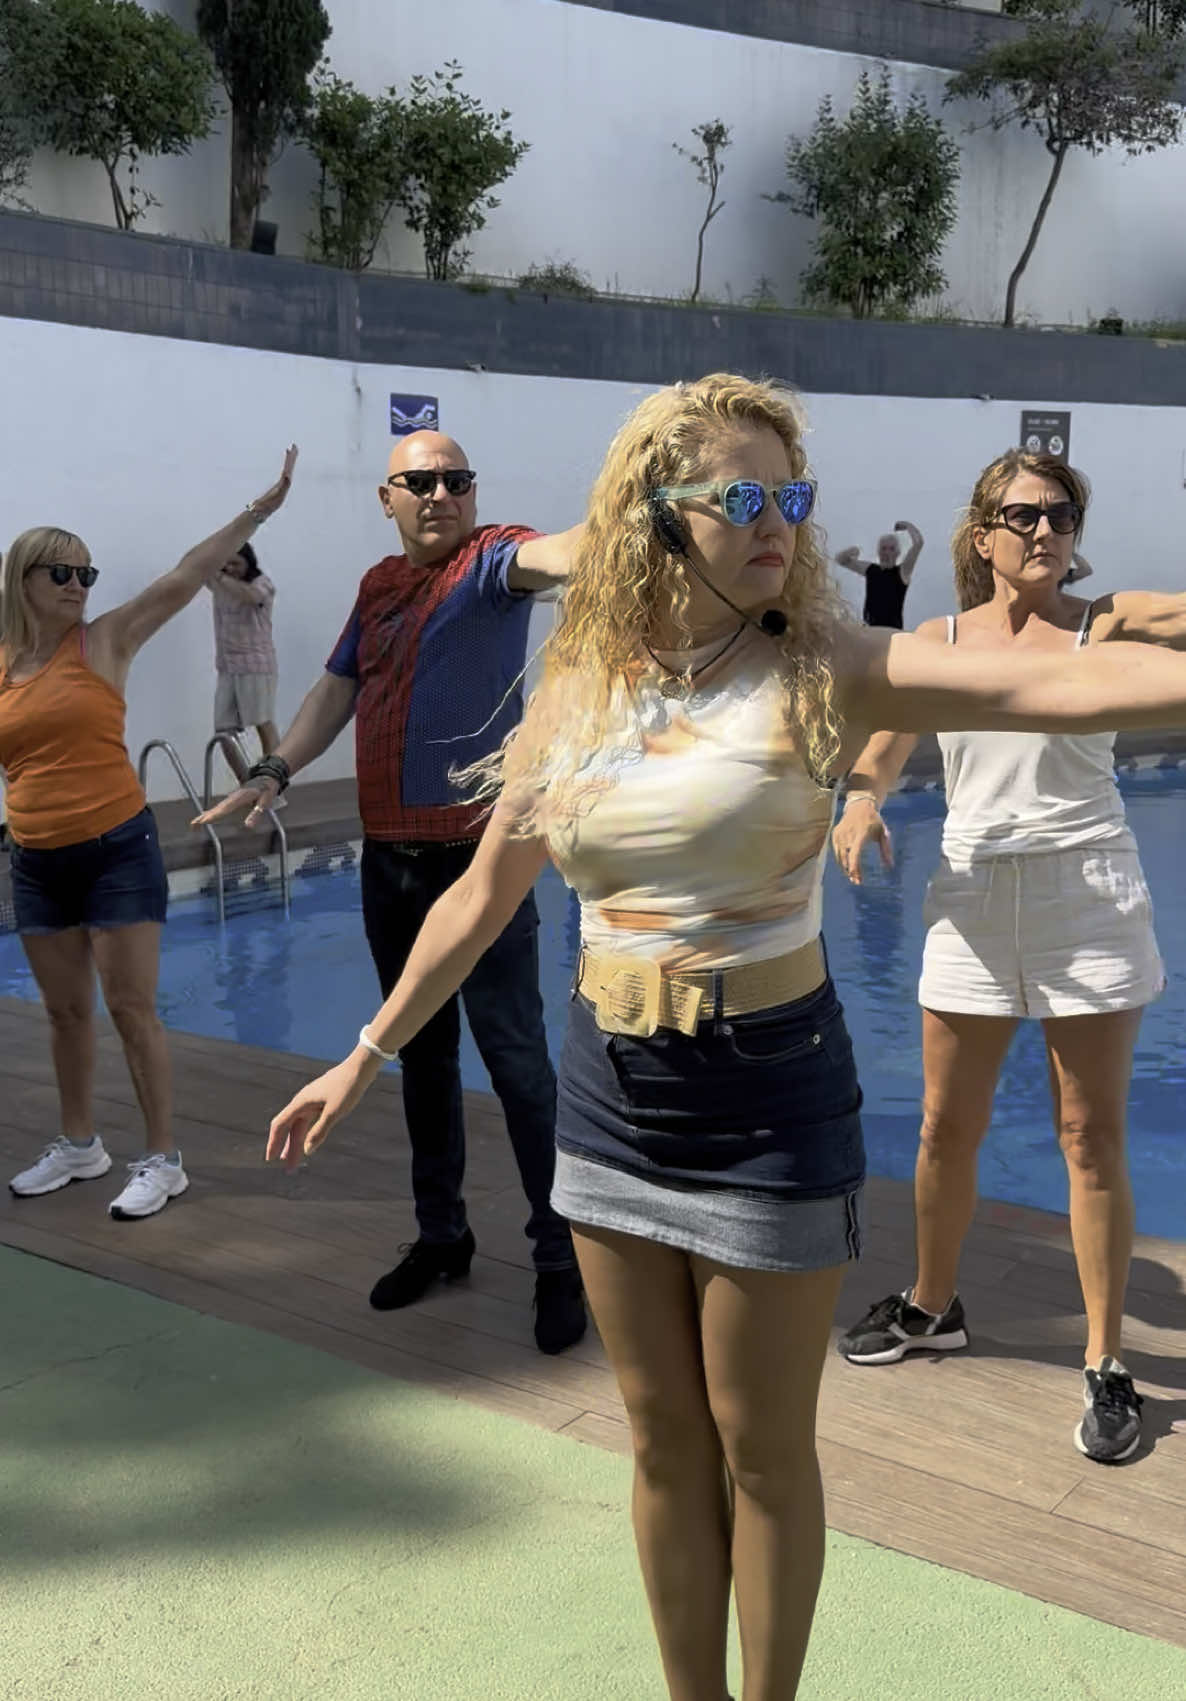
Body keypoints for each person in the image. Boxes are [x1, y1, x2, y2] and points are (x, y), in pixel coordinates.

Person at [258, 377, 1186, 1701]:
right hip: (609, 1096)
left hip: (767, 1097)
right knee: (659, 1446)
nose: (776, 523)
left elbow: (1068, 690)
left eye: (789, 497)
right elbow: (481, 897)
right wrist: (366, 1048)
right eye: (741, 497)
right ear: (661, 512)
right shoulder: (577, 685)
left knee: (760, 1449)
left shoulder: (823, 661)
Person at [197, 430, 587, 1354]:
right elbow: (339, 689)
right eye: (421, 481)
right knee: (422, 1057)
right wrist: (275, 768)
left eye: (455, 480)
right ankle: (443, 1233)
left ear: (472, 492)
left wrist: (640, 503)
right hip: (392, 864)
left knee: (521, 1065)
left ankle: (559, 1253)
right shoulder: (376, 587)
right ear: (388, 496)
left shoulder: (495, 562)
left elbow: (566, 553)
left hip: (476, 865)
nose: (440, 493)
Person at [833, 447, 1186, 1465]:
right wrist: (861, 797)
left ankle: (1106, 1359)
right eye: (1022, 513)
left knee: (1090, 1137)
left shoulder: (1104, 623)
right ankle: (929, 1304)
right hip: (975, 895)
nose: (1044, 530)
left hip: (1087, 894)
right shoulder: (938, 639)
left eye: (1061, 513)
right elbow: (890, 736)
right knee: (945, 1124)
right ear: (980, 530)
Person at [2, 448, 297, 1219]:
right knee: (66, 1013)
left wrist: (256, 512)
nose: (77, 585)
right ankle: (79, 1144)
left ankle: (163, 1158)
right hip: (34, 859)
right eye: (61, 573)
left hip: (115, 851)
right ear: (23, 579)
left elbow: (188, 571)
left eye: (86, 574)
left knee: (131, 1008)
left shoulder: (105, 640)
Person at [209, 539, 282, 795]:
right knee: (223, 730)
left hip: (255, 664)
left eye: (235, 563)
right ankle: (248, 787)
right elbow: (192, 571)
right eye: (226, 563)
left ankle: (274, 785)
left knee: (263, 722)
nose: (230, 568)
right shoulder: (219, 583)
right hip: (228, 666)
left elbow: (251, 596)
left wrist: (217, 575)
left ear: (248, 562)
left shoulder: (261, 583)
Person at [836, 519, 924, 628]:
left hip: (891, 632)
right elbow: (840, 560)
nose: (887, 552)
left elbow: (918, 543)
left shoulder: (902, 572)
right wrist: (852, 550)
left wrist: (907, 525)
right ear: (878, 551)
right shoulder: (871, 570)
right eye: (884, 548)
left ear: (898, 553)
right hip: (870, 631)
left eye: (891, 549)